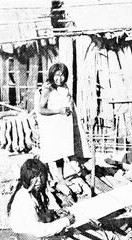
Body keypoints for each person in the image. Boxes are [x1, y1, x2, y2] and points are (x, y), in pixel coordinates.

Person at [7, 158, 132, 240]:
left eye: (41, 176)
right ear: (26, 177)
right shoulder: (25, 199)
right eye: (34, 177)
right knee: (82, 238)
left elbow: (35, 219)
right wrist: (66, 220)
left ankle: (112, 235)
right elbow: (39, 231)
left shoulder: (26, 193)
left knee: (82, 228)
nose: (39, 180)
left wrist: (54, 213)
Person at [36, 63, 91, 193]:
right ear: (52, 75)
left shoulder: (64, 87)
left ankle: (65, 175)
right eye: (56, 75)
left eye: (62, 75)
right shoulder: (48, 88)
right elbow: (41, 109)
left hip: (64, 125)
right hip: (54, 124)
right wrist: (58, 111)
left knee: (64, 150)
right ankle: (58, 178)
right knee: (56, 152)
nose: (59, 78)